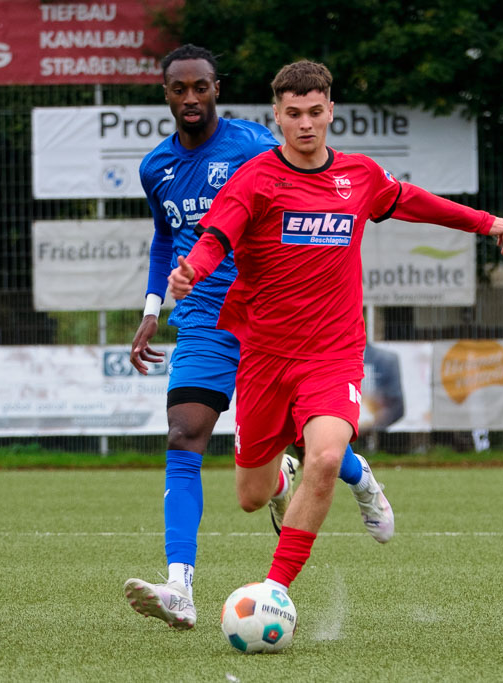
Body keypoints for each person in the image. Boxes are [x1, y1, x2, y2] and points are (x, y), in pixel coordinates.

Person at [167, 60, 503, 610]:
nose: (305, 124)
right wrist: (192, 270)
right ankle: (289, 478)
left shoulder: (359, 177)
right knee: (251, 498)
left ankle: (276, 590)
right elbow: (216, 237)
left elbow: (413, 201)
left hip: (333, 354)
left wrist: (481, 220)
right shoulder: (254, 180)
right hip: (263, 358)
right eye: (293, 114)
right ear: (276, 116)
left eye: (314, 112)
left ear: (330, 110)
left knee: (325, 457)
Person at [121, 46, 372, 631]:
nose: (190, 98)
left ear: (217, 89)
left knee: (303, 452)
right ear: (167, 94)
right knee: (184, 434)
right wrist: (152, 307)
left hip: (269, 319)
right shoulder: (154, 167)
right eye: (179, 89)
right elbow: (167, 240)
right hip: (204, 320)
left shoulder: (257, 146)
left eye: (201, 87)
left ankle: (352, 475)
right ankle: (179, 585)